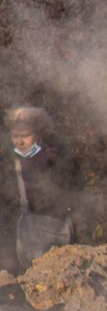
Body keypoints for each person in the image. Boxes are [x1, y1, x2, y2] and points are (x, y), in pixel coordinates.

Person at [4, 106, 80, 273]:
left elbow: (73, 184)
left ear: (37, 135)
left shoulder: (53, 157)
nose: (20, 141)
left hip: (55, 224)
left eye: (25, 135)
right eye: (15, 136)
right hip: (30, 226)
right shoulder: (13, 160)